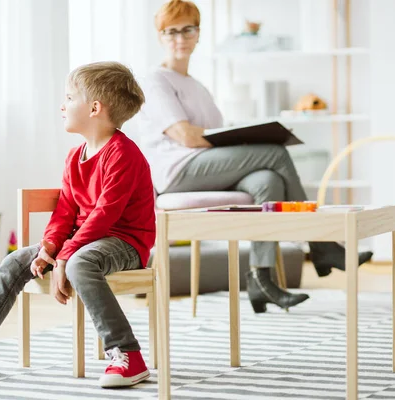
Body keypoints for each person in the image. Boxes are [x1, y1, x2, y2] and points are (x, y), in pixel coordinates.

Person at [0, 62, 155, 388]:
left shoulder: (123, 154)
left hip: (123, 242)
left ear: (95, 108)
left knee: (81, 262)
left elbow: (105, 215)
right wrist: (49, 247)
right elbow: (66, 211)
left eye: (69, 97)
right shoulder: (74, 157)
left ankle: (127, 354)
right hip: (81, 241)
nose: (62, 105)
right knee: (14, 261)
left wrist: (65, 256)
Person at [135, 0, 373, 314]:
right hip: (177, 171)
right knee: (274, 152)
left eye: (188, 29)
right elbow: (187, 137)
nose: (180, 38)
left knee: (268, 180)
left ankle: (261, 279)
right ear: (160, 36)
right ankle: (321, 242)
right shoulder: (155, 80)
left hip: (205, 166)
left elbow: (214, 134)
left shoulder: (197, 85)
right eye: (172, 31)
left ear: (198, 33)